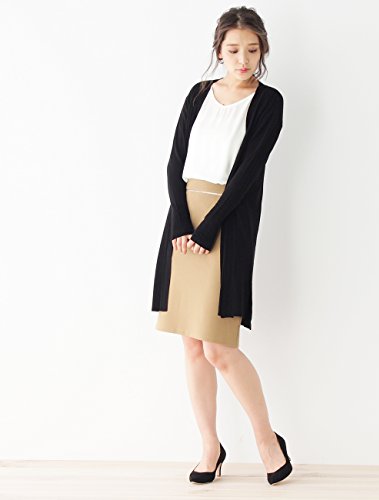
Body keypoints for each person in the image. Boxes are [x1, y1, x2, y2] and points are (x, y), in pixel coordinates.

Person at [151, 6, 292, 485]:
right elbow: (175, 161)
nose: (243, 59)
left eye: (252, 50)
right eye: (233, 50)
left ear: (262, 50)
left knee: (218, 347)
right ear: (219, 50)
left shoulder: (268, 102)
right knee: (191, 345)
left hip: (227, 223)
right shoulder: (198, 94)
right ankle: (209, 446)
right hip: (183, 218)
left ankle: (267, 440)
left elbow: (248, 175)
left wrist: (208, 228)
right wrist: (181, 222)